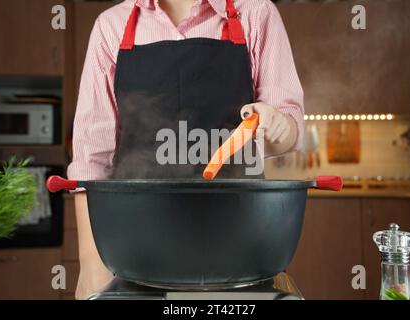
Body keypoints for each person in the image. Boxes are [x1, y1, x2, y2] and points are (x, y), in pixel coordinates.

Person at [67, 0, 304, 299]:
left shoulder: (256, 12)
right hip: (135, 249)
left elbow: (288, 130)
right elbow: (90, 159)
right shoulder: (112, 24)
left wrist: (279, 124)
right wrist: (90, 263)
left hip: (239, 248)